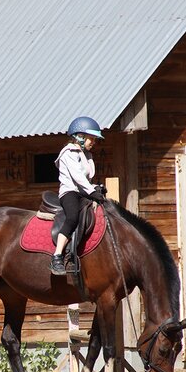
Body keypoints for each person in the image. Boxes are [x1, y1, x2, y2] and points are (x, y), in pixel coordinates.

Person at [50, 116, 106, 276]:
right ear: (79, 136)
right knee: (73, 217)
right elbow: (77, 177)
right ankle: (57, 256)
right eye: (91, 139)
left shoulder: (87, 156)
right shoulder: (68, 153)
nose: (93, 143)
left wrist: (97, 188)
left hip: (83, 192)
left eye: (95, 140)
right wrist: (92, 192)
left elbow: (87, 179)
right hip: (69, 192)